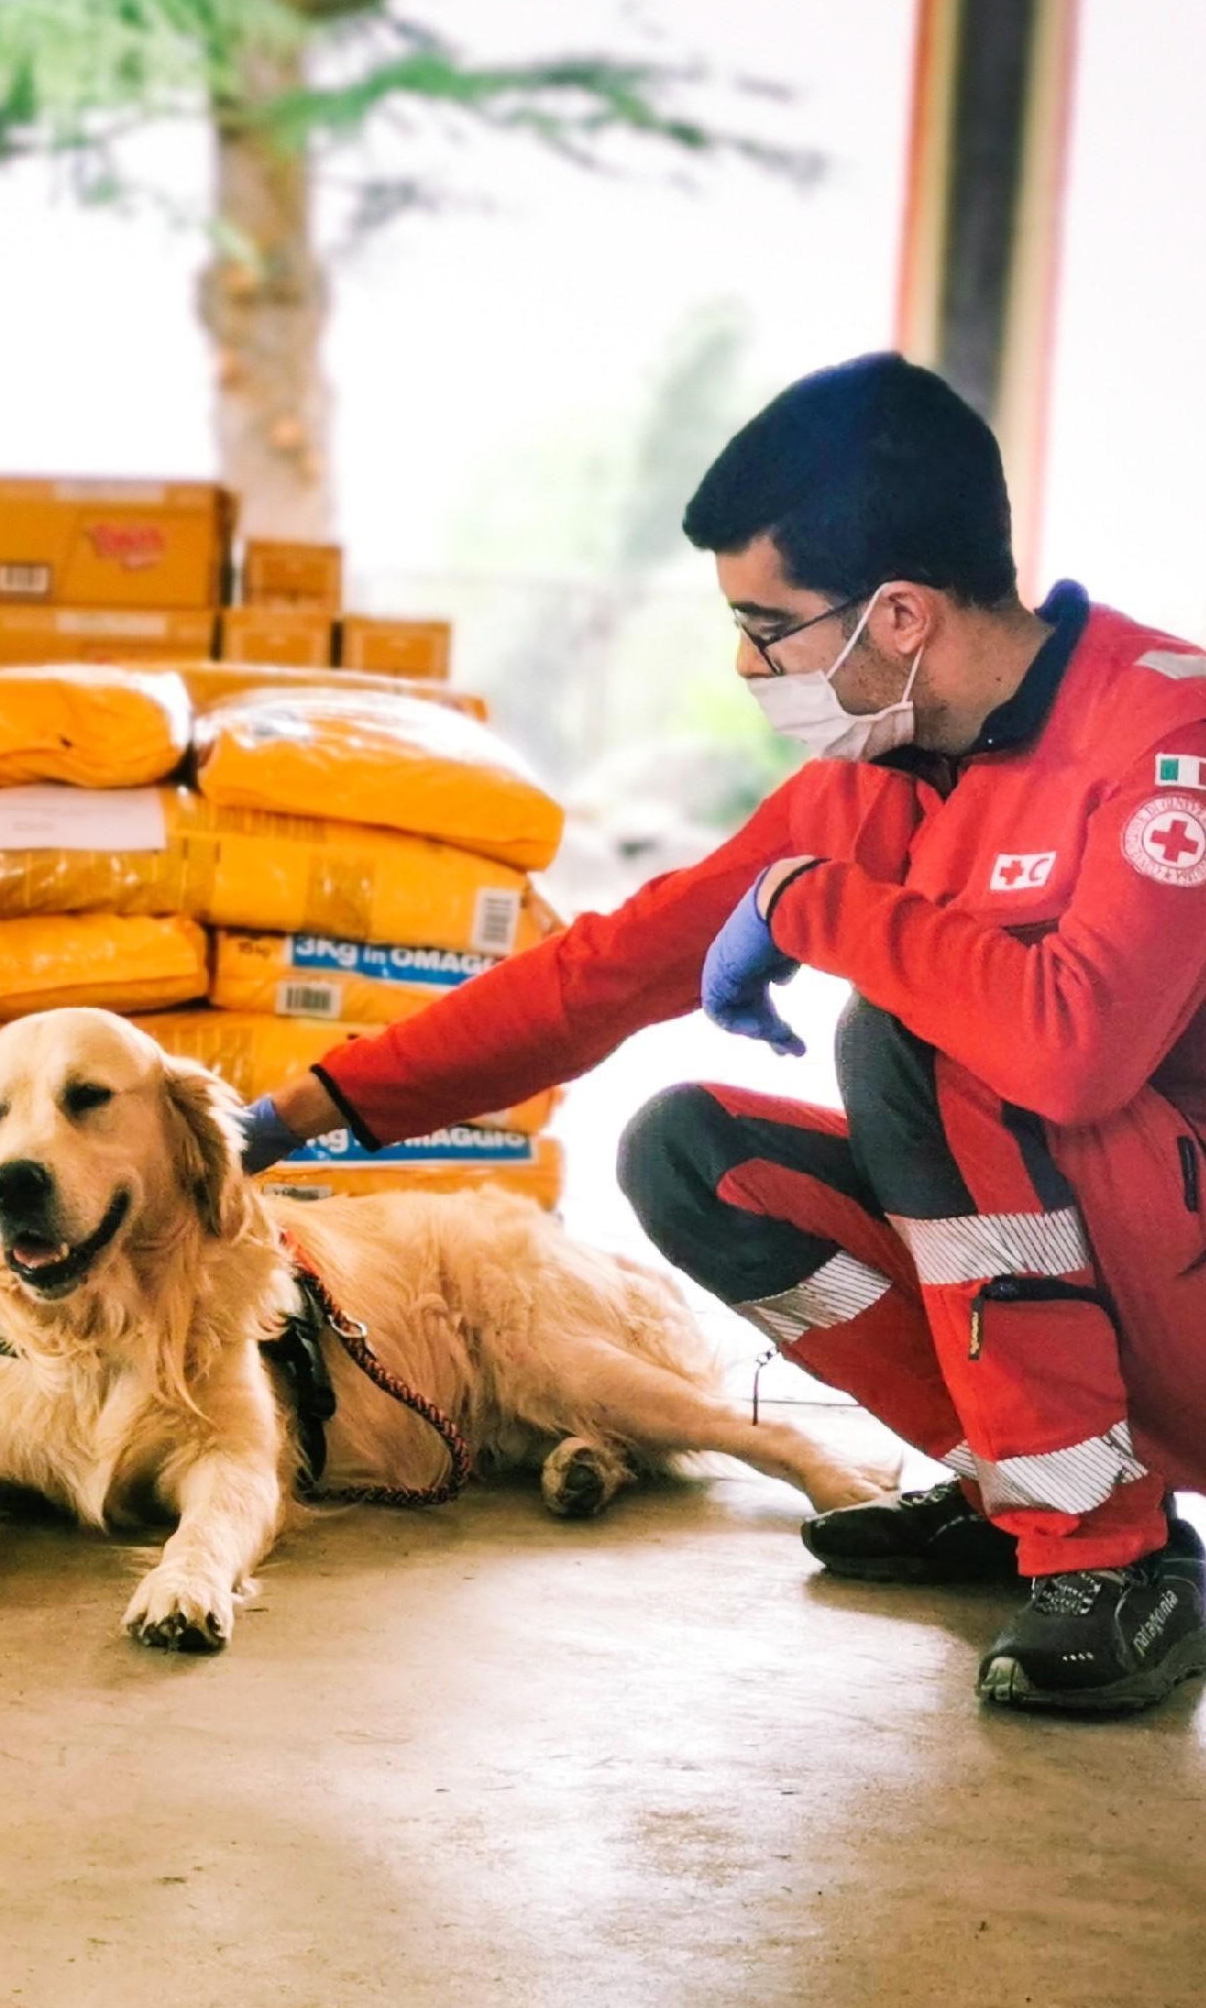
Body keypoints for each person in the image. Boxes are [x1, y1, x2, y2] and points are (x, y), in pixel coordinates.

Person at [239, 353, 1206, 1717]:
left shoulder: (1166, 731)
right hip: (1119, 1281)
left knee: (920, 1040)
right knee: (689, 1154)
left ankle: (1111, 1553)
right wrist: (308, 1106)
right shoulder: (879, 777)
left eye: (768, 626)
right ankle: (1022, 1486)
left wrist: (817, 907)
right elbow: (603, 973)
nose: (748, 665)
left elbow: (1073, 1047)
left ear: (904, 615)